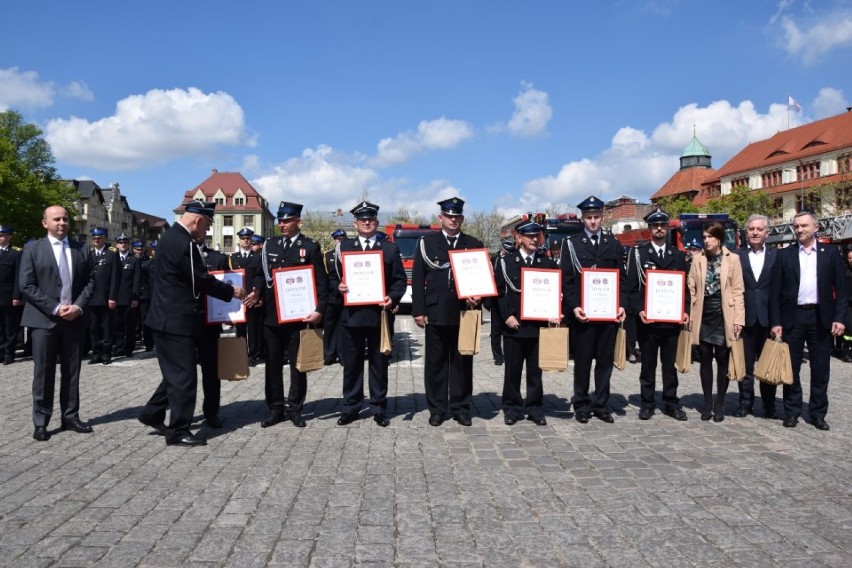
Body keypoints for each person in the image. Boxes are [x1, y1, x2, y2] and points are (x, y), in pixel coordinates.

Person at [138, 200, 245, 446]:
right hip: (175, 321)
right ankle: (178, 431)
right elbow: (201, 279)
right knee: (184, 378)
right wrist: (232, 292)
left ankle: (152, 412)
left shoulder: (172, 238)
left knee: (176, 374)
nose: (206, 231)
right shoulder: (183, 242)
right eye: (207, 225)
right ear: (198, 220)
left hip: (173, 319)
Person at [19, 205, 96, 441]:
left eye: (65, 219)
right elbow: (27, 285)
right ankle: (41, 421)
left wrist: (78, 306)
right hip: (44, 320)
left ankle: (70, 416)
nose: (62, 223)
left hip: (74, 319)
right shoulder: (33, 248)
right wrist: (55, 308)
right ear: (45, 223)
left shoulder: (81, 248)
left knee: (72, 371)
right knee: (43, 372)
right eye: (56, 219)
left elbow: (91, 282)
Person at [249, 202, 327, 429]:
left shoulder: (310, 247)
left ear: (297, 222)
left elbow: (321, 283)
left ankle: (295, 408)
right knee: (272, 364)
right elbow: (259, 275)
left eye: (286, 221)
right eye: (280, 221)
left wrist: (319, 310)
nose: (281, 225)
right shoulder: (269, 246)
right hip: (272, 316)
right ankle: (275, 409)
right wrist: (256, 290)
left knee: (297, 364)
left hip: (298, 317)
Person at [770, 211, 847, 430]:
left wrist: (840, 318)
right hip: (792, 317)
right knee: (791, 369)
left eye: (804, 225)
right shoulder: (785, 255)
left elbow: (841, 289)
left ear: (816, 227)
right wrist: (776, 322)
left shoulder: (830, 253)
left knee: (821, 370)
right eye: (796, 226)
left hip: (820, 317)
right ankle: (792, 411)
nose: (800, 230)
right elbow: (775, 292)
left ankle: (817, 413)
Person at [411, 197, 484, 426]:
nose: (453, 220)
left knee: (463, 361)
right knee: (436, 363)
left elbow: (482, 279)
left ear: (461, 218)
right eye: (449, 216)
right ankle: (437, 408)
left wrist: (480, 295)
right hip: (436, 311)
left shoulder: (473, 244)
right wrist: (418, 311)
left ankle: (461, 408)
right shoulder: (427, 243)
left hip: (464, 310)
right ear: (440, 218)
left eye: (457, 216)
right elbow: (418, 279)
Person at [334, 203, 406, 427]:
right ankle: (351, 407)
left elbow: (399, 280)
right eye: (362, 220)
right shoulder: (343, 247)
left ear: (376, 222)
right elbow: (330, 280)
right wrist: (339, 287)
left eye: (371, 219)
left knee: (379, 364)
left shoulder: (390, 249)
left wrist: (392, 298)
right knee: (352, 364)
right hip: (351, 315)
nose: (367, 222)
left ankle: (378, 407)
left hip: (379, 315)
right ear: (355, 223)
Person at [560, 195, 626, 423]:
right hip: (583, 315)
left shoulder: (614, 244)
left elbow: (622, 280)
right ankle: (581, 404)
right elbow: (567, 280)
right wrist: (574, 306)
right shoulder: (572, 244)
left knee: (605, 363)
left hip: (607, 315)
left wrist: (621, 306)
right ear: (582, 219)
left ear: (603, 217)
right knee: (583, 361)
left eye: (597, 217)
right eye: (589, 218)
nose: (593, 221)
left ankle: (601, 404)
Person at [624, 209, 690, 421]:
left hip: (671, 321)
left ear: (668, 228)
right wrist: (639, 310)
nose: (659, 229)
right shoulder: (638, 255)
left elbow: (685, 289)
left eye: (662, 225)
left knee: (670, 366)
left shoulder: (678, 256)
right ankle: (647, 403)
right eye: (655, 226)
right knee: (648, 365)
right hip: (648, 321)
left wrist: (685, 310)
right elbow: (632, 287)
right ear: (649, 230)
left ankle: (671, 402)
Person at [494, 221, 561, 425]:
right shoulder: (506, 262)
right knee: (512, 372)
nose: (534, 240)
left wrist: (554, 311)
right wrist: (506, 316)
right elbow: (498, 293)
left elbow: (556, 294)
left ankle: (534, 408)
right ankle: (512, 408)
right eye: (529, 236)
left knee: (535, 372)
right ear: (519, 238)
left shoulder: (546, 263)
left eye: (537, 236)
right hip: (514, 325)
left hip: (537, 327)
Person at [687, 221, 745, 422]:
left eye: (709, 237)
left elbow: (738, 290)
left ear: (718, 239)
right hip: (703, 312)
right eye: (704, 237)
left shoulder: (733, 259)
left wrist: (739, 318)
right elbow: (691, 287)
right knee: (704, 360)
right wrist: (691, 314)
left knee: (722, 360)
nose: (706, 240)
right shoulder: (697, 259)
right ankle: (707, 403)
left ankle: (720, 402)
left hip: (724, 314)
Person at [733, 214, 779, 419]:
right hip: (745, 318)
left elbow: (781, 290)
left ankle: (769, 405)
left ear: (767, 233)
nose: (755, 232)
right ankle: (745, 402)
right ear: (746, 232)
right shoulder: (737, 256)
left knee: (767, 364)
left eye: (759, 229)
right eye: (751, 229)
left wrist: (778, 321)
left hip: (769, 319)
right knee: (745, 365)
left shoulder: (777, 256)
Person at [198, 242, 229, 428]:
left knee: (210, 371)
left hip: (210, 322)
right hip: (185, 321)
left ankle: (211, 412)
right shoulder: (181, 253)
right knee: (180, 372)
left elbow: (227, 284)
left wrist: (230, 312)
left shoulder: (218, 258)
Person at [87, 227, 119, 365]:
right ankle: (96, 353)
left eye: (99, 238)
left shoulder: (111, 254)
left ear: (104, 238)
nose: (96, 240)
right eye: (94, 238)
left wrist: (113, 297)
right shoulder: (89, 254)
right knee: (94, 328)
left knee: (106, 327)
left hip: (106, 298)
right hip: (91, 298)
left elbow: (115, 277)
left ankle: (106, 354)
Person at [229, 227, 259, 362]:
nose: (245, 240)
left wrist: (256, 292)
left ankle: (252, 355)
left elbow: (260, 277)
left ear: (251, 239)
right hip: (237, 298)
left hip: (252, 297)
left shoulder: (257, 257)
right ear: (239, 240)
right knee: (240, 328)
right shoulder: (232, 258)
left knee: (253, 328)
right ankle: (241, 353)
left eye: (248, 238)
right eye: (243, 238)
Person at [112, 233, 141, 358]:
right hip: (115, 297)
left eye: (125, 243)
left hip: (129, 298)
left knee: (129, 325)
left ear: (128, 245)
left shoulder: (134, 260)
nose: (123, 245)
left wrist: (135, 298)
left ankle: (129, 348)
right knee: (117, 324)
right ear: (117, 245)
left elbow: (137, 280)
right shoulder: (113, 259)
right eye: (120, 243)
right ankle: (119, 347)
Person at [323, 229, 347, 365]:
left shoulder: (350, 254)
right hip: (332, 297)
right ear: (334, 241)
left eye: (343, 240)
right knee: (330, 327)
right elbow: (326, 277)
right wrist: (336, 288)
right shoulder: (327, 256)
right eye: (338, 240)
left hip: (347, 297)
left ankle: (343, 354)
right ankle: (329, 354)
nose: (340, 242)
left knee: (344, 327)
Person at [0, 225, 23, 365]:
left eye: (3, 235)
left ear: (9, 237)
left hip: (7, 296)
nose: (0, 237)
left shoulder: (15, 254)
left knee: (9, 326)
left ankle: (9, 353)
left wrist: (16, 296)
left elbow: (17, 277)